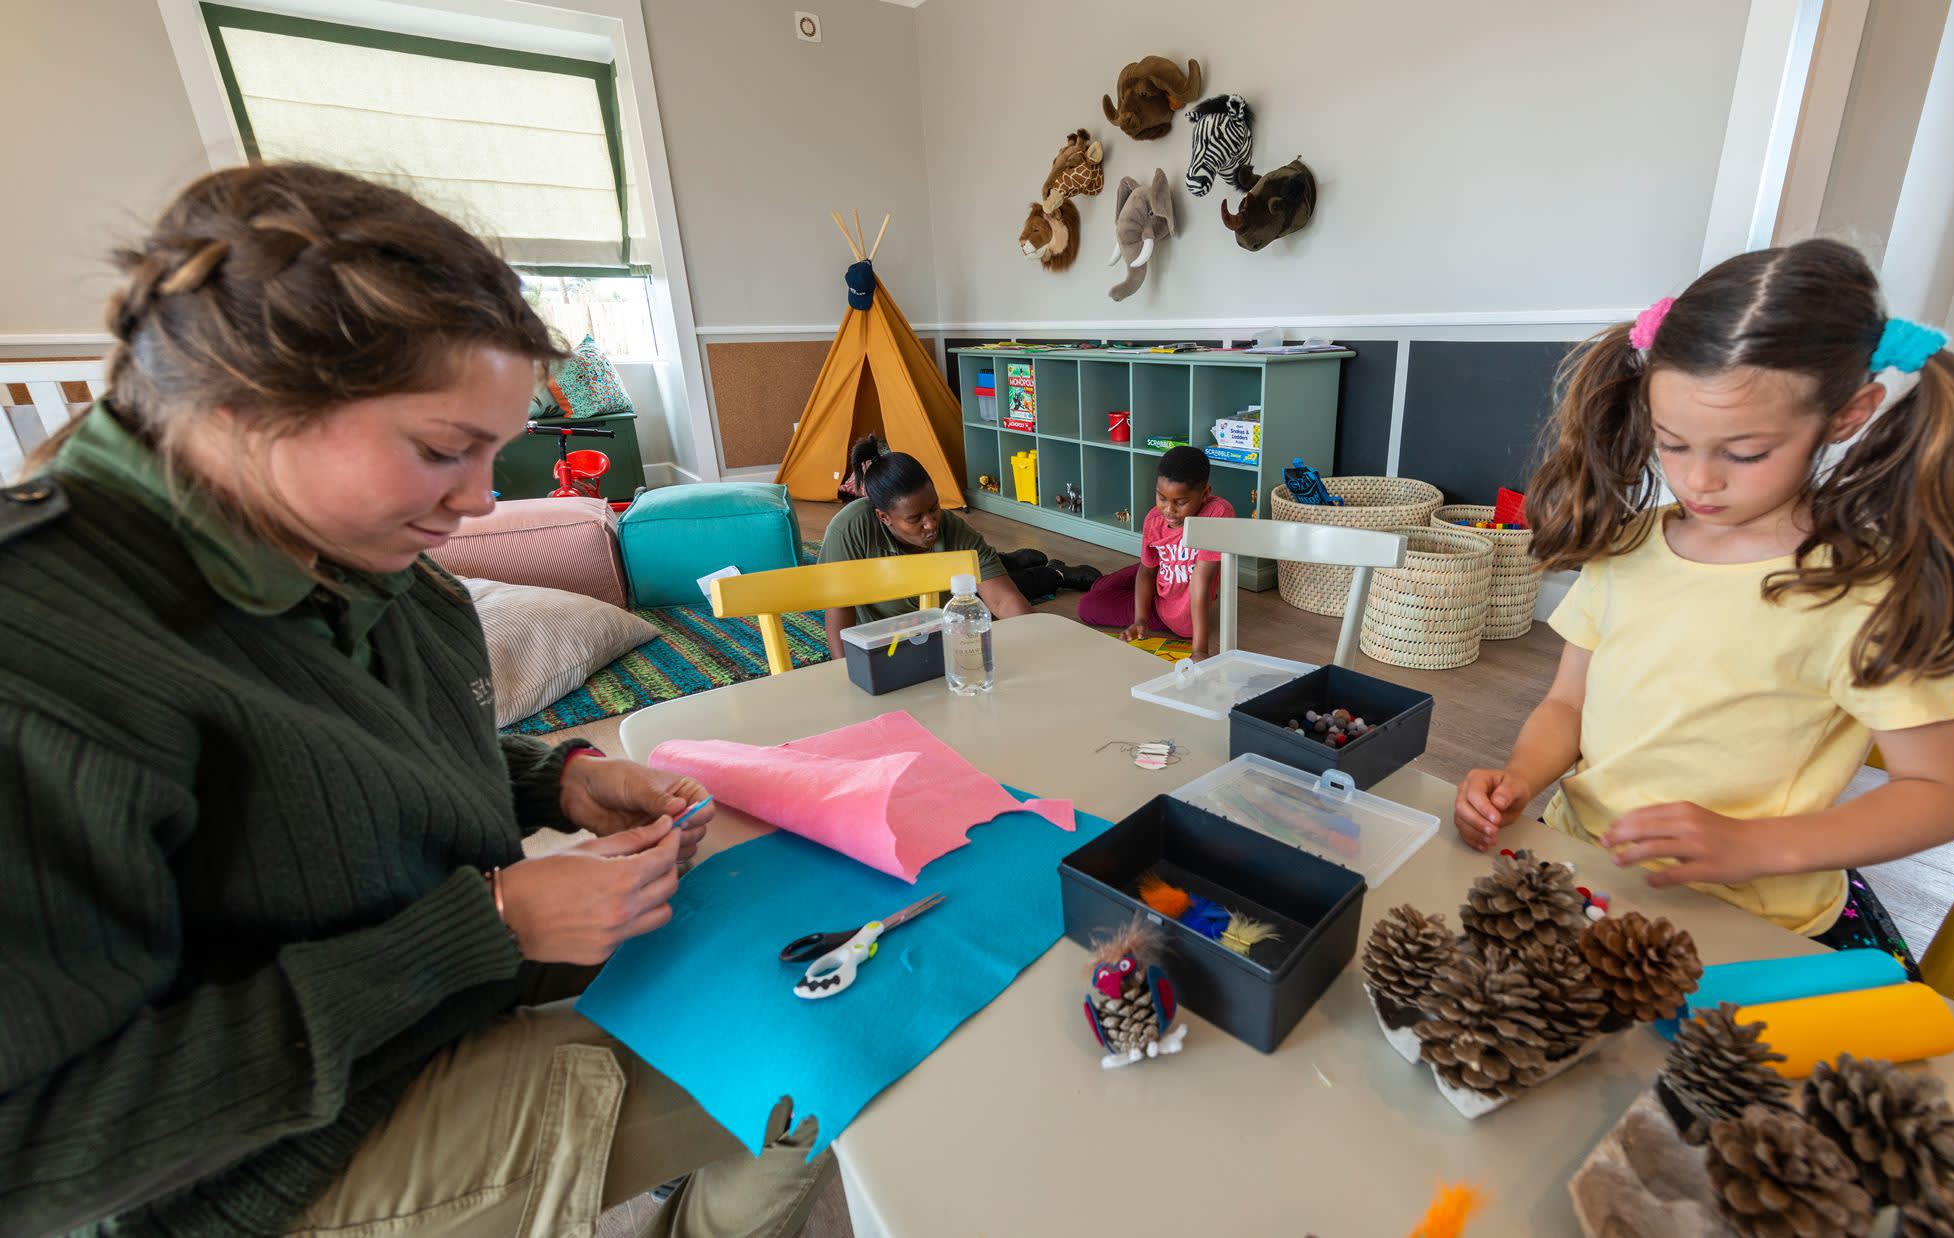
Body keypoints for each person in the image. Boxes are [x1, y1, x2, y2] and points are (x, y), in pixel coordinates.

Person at [0, 164, 830, 1236]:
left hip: (426, 1015)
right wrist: (482, 926)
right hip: (263, 1168)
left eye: (494, 450)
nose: (482, 497)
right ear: (251, 407)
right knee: (810, 1041)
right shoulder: (45, 659)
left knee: (788, 940)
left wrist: (561, 778)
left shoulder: (349, 543)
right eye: (443, 449)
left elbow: (344, 773)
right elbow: (35, 1145)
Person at [1453, 239, 1954, 972]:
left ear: (1848, 414)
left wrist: (1753, 847)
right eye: (1673, 443)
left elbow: (1943, 795)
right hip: (1587, 877)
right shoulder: (1630, 546)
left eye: (1745, 453)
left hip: (1755, 921)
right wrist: (1520, 778)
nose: (1699, 480)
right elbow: (1568, 704)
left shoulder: (1858, 592)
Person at [817, 437, 1097, 658]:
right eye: (915, 519)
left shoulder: (951, 528)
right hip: (900, 629)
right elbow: (839, 612)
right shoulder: (850, 529)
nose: (930, 524)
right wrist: (847, 675)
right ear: (883, 517)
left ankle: (1036, 567)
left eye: (934, 507)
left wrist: (1048, 650)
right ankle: (1042, 569)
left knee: (1001, 586)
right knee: (1006, 580)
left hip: (948, 607)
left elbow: (1002, 601)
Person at [1077, 445, 1235, 660]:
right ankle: (1083, 578)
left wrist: (1199, 650)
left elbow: (1201, 580)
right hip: (1161, 573)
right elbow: (1147, 570)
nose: (1169, 511)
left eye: (1181, 502)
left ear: (1205, 494)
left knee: (1087, 606)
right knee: (1100, 586)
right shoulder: (1154, 519)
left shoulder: (1218, 514)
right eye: (1161, 498)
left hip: (1169, 612)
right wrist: (1139, 620)